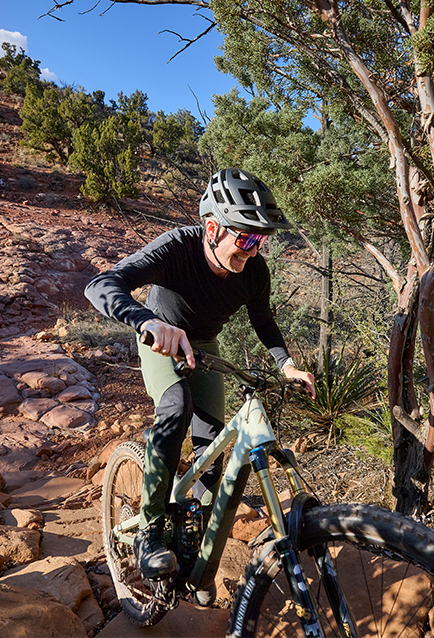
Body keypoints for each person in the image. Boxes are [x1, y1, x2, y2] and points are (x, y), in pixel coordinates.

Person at [84, 167, 315, 605]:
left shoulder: (253, 271)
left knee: (213, 449)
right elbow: (101, 285)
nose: (252, 249)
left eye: (259, 240)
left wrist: (286, 365)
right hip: (160, 337)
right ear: (212, 227)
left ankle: (197, 561)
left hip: (205, 345)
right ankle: (150, 531)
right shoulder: (177, 248)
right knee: (175, 404)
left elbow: (263, 322)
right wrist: (146, 321)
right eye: (245, 238)